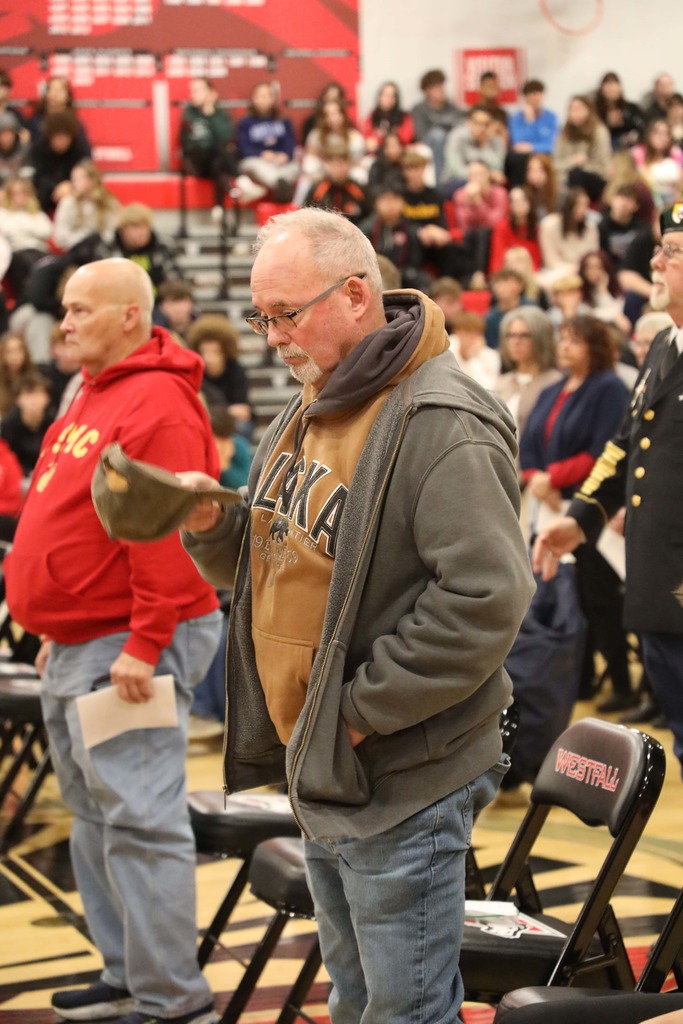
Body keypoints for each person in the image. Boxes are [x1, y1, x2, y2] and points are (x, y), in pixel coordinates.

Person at [177, 206, 535, 1024]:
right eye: (260, 317)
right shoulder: (317, 395)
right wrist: (213, 526)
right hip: (326, 768)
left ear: (352, 295)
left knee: (401, 1012)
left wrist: (354, 714)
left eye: (285, 314)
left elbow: (484, 600)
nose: (272, 337)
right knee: (354, 1000)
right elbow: (283, 552)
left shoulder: (442, 419)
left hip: (397, 771)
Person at [4, 257, 223, 1024]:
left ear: (130, 315)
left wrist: (145, 641)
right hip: (84, 639)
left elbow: (162, 535)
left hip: (131, 640)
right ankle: (127, 973)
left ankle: (173, 1002)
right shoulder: (93, 390)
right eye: (64, 310)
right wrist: (58, 630)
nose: (63, 324)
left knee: (139, 820)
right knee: (96, 817)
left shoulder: (157, 401)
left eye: (79, 310)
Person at [534, 204, 683, 768]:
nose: (655, 262)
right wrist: (580, 519)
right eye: (659, 249)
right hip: (658, 590)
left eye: (672, 252)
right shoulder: (665, 346)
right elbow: (624, 449)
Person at [521, 313, 633, 712]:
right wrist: (537, 478)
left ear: (594, 347)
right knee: (562, 595)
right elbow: (527, 445)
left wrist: (552, 477)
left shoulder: (609, 388)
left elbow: (605, 450)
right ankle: (578, 679)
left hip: (589, 508)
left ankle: (622, 683)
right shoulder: (553, 389)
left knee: (597, 598)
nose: (565, 346)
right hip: (547, 506)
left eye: (575, 340)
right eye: (562, 338)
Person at [495, 305, 561, 438]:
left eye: (524, 335)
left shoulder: (555, 383)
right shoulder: (501, 382)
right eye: (510, 335)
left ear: (541, 338)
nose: (516, 342)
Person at [179, 76, 237, 221]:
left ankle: (218, 208)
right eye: (192, 91)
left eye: (198, 90)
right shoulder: (188, 114)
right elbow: (190, 144)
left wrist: (209, 113)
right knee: (216, 151)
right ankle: (239, 181)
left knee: (217, 162)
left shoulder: (222, 115)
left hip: (215, 163)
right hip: (197, 162)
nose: (193, 94)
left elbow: (225, 137)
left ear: (212, 93)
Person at [235, 81, 299, 204]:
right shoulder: (245, 122)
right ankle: (280, 185)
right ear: (254, 99)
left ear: (273, 99)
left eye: (267, 96)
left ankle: (281, 185)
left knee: (294, 167)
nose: (264, 99)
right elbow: (243, 148)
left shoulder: (283, 120)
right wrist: (261, 154)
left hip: (280, 162)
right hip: (257, 160)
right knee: (257, 167)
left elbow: (290, 143)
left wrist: (285, 155)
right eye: (260, 96)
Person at [553, 95, 611, 202]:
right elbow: (555, 163)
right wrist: (573, 162)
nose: (575, 113)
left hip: (594, 177)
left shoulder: (599, 132)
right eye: (572, 109)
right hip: (565, 175)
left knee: (575, 175)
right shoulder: (564, 133)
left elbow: (602, 166)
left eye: (579, 109)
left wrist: (578, 167)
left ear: (589, 110)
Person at [410, 69, 464, 182]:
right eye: (436, 88)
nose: (441, 90)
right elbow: (420, 134)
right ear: (427, 91)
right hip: (430, 146)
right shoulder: (419, 109)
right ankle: (441, 181)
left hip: (451, 145)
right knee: (438, 135)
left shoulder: (452, 108)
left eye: (442, 86)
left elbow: (461, 126)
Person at [630, 118, 683, 209]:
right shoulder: (636, 154)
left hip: (674, 203)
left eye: (666, 133)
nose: (661, 137)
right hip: (647, 204)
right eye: (657, 132)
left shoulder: (676, 154)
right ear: (649, 134)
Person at [594, 71, 643, 150]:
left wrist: (624, 124)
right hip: (605, 145)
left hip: (629, 146)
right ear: (601, 88)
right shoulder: (595, 109)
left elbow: (640, 127)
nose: (611, 88)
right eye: (608, 84)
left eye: (614, 84)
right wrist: (608, 125)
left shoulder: (631, 108)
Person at [362, 81, 414, 155]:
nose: (389, 99)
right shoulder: (372, 116)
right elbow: (367, 136)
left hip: (399, 153)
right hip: (377, 153)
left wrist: (391, 143)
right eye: (386, 95)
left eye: (393, 96)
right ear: (379, 97)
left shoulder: (404, 117)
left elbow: (406, 137)